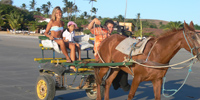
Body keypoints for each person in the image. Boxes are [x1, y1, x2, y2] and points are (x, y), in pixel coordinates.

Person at [88, 18, 130, 91]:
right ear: (105, 26)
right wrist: (94, 20)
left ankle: (119, 84)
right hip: (100, 55)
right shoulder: (100, 31)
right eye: (110, 27)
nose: (111, 29)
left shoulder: (111, 36)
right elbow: (89, 28)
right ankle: (121, 84)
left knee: (123, 64)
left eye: (112, 27)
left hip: (109, 55)